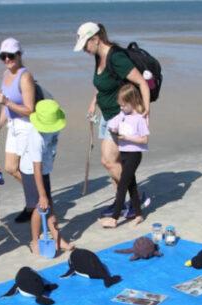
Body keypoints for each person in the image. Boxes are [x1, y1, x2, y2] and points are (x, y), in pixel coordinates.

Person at [74, 22, 151, 192]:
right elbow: (104, 82)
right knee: (114, 163)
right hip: (107, 116)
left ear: (96, 39)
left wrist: (145, 113)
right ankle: (122, 201)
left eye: (85, 44)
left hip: (120, 116)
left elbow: (142, 83)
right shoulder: (98, 55)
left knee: (108, 160)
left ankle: (136, 199)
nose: (84, 50)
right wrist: (94, 101)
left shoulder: (116, 58)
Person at [0, 38, 37, 224]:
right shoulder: (5, 74)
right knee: (10, 167)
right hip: (13, 125)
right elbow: (6, 108)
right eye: (4, 56)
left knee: (25, 170)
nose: (7, 59)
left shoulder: (25, 76)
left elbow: (29, 109)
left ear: (19, 55)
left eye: (11, 55)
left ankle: (34, 202)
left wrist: (7, 102)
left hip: (26, 126)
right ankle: (36, 197)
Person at [20, 99, 73, 253]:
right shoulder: (36, 138)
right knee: (40, 206)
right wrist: (42, 195)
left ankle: (58, 238)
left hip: (44, 169)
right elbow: (36, 168)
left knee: (49, 204)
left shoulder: (53, 129)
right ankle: (35, 241)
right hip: (31, 171)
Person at [101, 84, 150, 228]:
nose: (121, 108)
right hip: (123, 153)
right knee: (131, 185)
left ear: (133, 101)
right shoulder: (123, 115)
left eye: (124, 105)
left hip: (134, 154)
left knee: (122, 184)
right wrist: (113, 128)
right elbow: (113, 123)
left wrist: (127, 138)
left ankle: (114, 219)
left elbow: (144, 139)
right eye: (120, 105)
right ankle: (139, 214)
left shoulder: (140, 118)